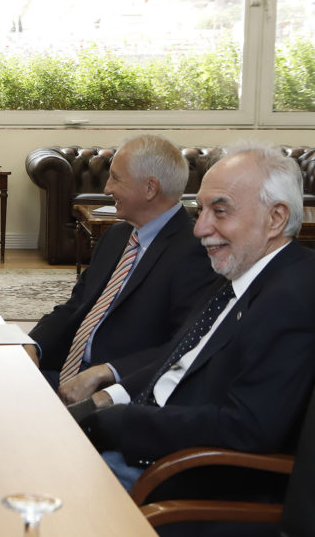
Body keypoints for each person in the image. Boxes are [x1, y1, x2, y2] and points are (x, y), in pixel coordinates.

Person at [72, 144, 315, 494]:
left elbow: (247, 427)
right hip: (148, 445)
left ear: (275, 218)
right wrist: (106, 401)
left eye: (220, 211)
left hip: (178, 476)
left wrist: (119, 423)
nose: (200, 229)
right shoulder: (240, 273)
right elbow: (177, 358)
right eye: (200, 210)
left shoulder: (293, 297)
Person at [29, 135, 218, 403]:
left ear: (150, 188)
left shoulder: (196, 252)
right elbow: (75, 306)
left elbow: (186, 345)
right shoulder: (116, 236)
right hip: (64, 371)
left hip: (117, 392)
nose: (107, 189)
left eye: (116, 179)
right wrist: (33, 345)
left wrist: (107, 372)